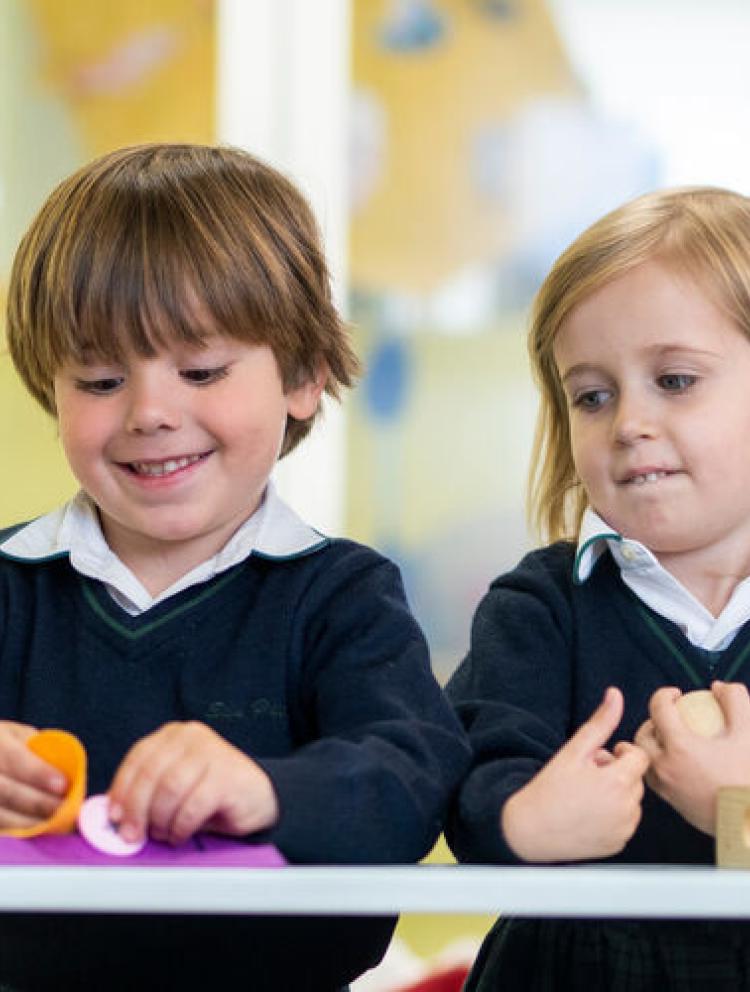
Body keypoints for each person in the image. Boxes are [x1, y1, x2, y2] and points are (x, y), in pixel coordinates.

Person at [0, 142, 471, 992]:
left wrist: (268, 790)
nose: (150, 412)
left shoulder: (340, 596)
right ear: (49, 386)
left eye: (202, 369)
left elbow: (413, 779)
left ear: (302, 375)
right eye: (101, 379)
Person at [445, 186, 750, 991]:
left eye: (676, 380)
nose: (628, 424)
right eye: (593, 395)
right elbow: (468, 778)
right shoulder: (538, 606)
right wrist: (531, 815)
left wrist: (735, 808)